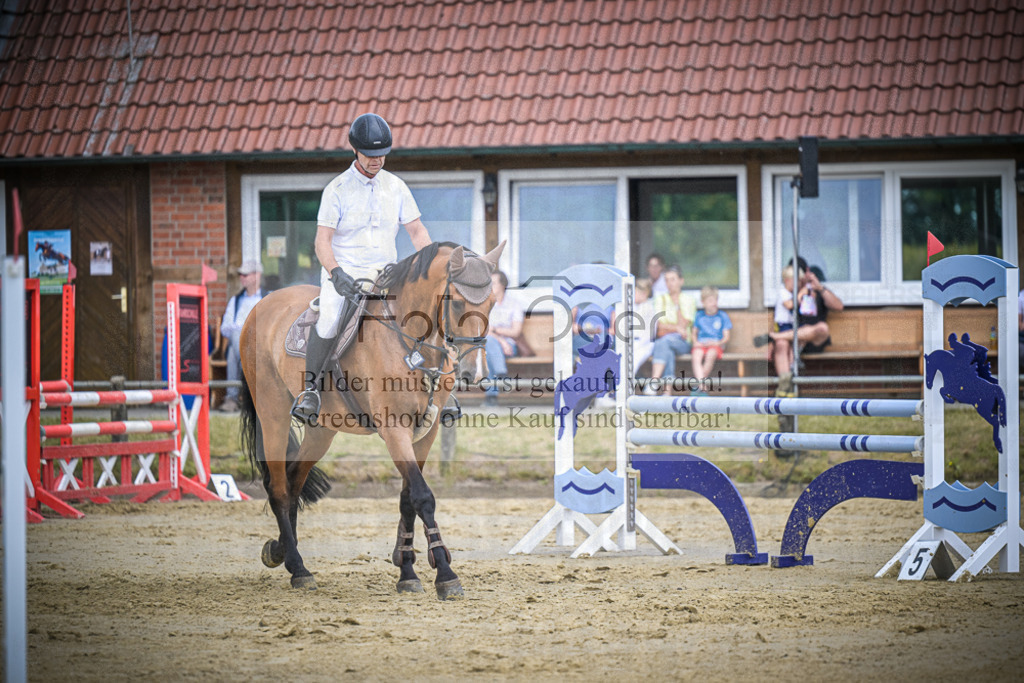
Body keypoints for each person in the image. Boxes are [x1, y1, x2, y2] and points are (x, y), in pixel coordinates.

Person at [292, 113, 433, 420]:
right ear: (355, 150)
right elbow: (322, 241)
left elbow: (417, 231)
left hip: (386, 273)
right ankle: (310, 390)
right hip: (345, 274)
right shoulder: (337, 189)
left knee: (418, 314)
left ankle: (432, 386)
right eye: (370, 155)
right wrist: (336, 273)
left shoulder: (396, 187)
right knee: (329, 317)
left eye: (382, 155)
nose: (377, 161)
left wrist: (427, 262)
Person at [755, 257, 843, 395]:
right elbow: (779, 320)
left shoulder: (815, 288)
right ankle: (786, 389)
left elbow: (838, 306)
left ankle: (775, 337)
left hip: (812, 340)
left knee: (822, 328)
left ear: (806, 273)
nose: (799, 281)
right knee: (782, 343)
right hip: (792, 340)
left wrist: (819, 288)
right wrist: (772, 345)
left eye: (799, 277)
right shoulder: (789, 294)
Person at [218, 261, 266, 411]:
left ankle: (232, 399)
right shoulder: (235, 301)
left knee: (233, 351)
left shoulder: (267, 298)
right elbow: (225, 329)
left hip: (260, 346)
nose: (242, 277)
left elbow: (267, 327)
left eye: (245, 274)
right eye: (240, 275)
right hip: (242, 346)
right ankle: (251, 393)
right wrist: (240, 329)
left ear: (257, 275)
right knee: (235, 340)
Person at [647, 266, 696, 395]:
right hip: (666, 341)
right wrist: (676, 328)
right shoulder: (660, 299)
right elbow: (658, 325)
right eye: (667, 280)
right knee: (665, 346)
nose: (669, 284)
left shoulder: (688, 299)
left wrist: (677, 305)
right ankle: (667, 393)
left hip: (684, 343)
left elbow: (684, 325)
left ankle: (654, 382)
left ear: (681, 281)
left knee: (663, 342)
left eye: (673, 280)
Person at [483, 271, 524, 407]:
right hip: (495, 344)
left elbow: (516, 332)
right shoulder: (485, 304)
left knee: (488, 352)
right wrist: (501, 341)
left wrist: (496, 331)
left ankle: (491, 398)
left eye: (493, 283)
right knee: (489, 347)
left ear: (503, 285)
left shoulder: (514, 304)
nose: (490, 286)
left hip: (510, 347)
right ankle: (501, 374)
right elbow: (484, 331)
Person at [690, 285, 731, 393]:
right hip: (701, 344)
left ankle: (699, 385)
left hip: (715, 345)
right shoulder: (699, 315)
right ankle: (701, 384)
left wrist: (717, 343)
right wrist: (695, 342)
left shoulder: (722, 316)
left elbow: (726, 337)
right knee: (696, 355)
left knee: (710, 354)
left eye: (715, 300)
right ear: (703, 302)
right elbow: (694, 332)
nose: (714, 303)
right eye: (710, 301)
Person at [631, 278, 656, 375]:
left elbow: (648, 335)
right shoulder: (632, 306)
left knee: (632, 363)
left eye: (636, 292)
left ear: (645, 293)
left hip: (644, 345)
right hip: (630, 343)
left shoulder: (649, 308)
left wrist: (635, 345)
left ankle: (622, 388)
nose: (633, 296)